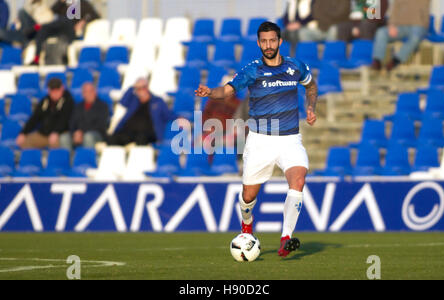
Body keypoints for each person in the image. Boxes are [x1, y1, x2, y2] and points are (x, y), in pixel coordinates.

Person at [195, 22, 318, 258]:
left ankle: (286, 238)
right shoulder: (252, 70)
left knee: (298, 180)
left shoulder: (295, 66)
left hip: (290, 139)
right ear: (259, 43)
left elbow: (310, 85)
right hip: (260, 141)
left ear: (280, 42)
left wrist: (311, 107)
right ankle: (246, 226)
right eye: (264, 41)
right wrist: (211, 91)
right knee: (248, 196)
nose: (268, 45)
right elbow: (228, 90)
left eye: (272, 40)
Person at [108, 78, 177, 146]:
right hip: (129, 132)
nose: (141, 91)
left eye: (143, 88)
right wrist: (132, 87)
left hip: (147, 134)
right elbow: (123, 102)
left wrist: (180, 118)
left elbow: (168, 115)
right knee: (113, 139)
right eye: (138, 89)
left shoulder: (157, 101)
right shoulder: (133, 100)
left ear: (147, 88)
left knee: (141, 139)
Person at [30, 0, 100, 65]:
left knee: (65, 20)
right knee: (42, 31)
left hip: (71, 30)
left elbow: (95, 15)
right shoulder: (63, 3)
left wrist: (83, 22)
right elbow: (51, 12)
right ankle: (36, 59)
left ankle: (36, 28)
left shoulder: (81, 3)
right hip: (58, 29)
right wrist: (61, 2)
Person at [371, 0, 431, 71]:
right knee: (381, 32)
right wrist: (391, 24)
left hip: (418, 26)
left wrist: (423, 25)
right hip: (400, 26)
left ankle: (395, 61)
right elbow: (394, 10)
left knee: (415, 38)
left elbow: (425, 12)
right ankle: (377, 61)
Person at [16, 78, 75, 149]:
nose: (55, 94)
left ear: (62, 88)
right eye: (52, 91)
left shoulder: (68, 100)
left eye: (57, 91)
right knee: (25, 142)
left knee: (57, 144)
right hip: (44, 134)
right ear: (49, 90)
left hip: (60, 134)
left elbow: (65, 119)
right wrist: (23, 133)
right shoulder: (45, 101)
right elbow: (35, 117)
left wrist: (56, 132)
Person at [61, 82, 109, 149]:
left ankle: (88, 158)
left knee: (88, 137)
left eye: (90, 91)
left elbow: (101, 125)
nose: (88, 94)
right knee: (64, 137)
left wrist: (82, 132)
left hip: (96, 134)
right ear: (83, 94)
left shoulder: (103, 106)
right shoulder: (78, 107)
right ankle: (68, 158)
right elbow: (71, 122)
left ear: (95, 92)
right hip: (78, 134)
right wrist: (74, 133)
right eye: (85, 92)